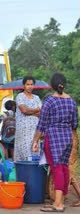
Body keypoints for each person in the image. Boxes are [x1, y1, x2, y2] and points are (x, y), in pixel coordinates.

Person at [32, 73, 78, 212]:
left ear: (52, 85)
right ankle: (61, 201)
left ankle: (57, 203)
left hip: (53, 138)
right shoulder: (72, 101)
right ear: (64, 84)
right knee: (64, 169)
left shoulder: (50, 101)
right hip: (67, 138)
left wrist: (35, 141)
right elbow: (75, 123)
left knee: (57, 169)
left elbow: (42, 124)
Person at [14, 76, 41, 161]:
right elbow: (24, 110)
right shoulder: (20, 96)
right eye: (27, 84)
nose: (30, 86)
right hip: (23, 130)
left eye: (32, 84)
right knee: (24, 151)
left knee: (34, 149)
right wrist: (36, 110)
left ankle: (33, 172)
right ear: (24, 85)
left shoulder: (36, 98)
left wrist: (30, 111)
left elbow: (41, 113)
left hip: (35, 130)